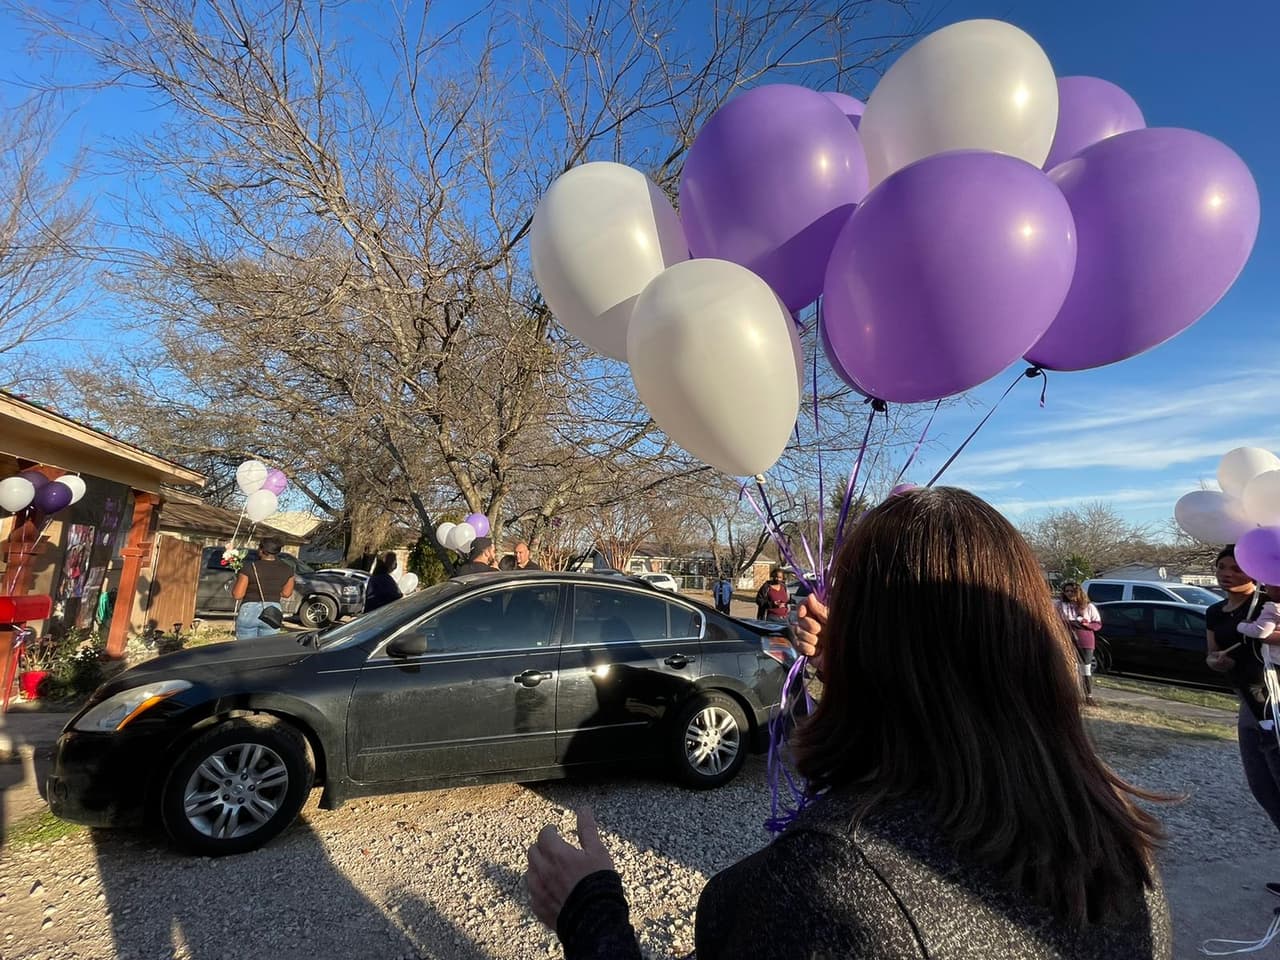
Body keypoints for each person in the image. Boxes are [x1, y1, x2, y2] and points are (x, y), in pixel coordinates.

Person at [527, 488, 1170, 959]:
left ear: (871, 638)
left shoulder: (829, 889)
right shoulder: (1119, 852)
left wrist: (591, 915)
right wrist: (854, 673)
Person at [1205, 546, 1280, 852]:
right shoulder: (1214, 612)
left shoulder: (1269, 602)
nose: (1226, 574)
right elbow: (1211, 654)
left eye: (1236, 568)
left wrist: (1265, 634)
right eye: (1221, 567)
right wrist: (1216, 662)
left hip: (1274, 701)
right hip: (1247, 700)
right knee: (1262, 787)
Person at [231, 536, 294, 640]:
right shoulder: (288, 569)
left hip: (249, 610)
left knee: (245, 647)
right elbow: (286, 594)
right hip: (273, 611)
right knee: (266, 647)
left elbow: (238, 595)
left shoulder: (249, 567)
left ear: (262, 550)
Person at [1057, 581, 1102, 706]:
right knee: (1070, 668)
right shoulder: (1060, 605)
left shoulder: (1088, 606)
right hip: (1067, 640)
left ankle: (1088, 696)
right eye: (1067, 591)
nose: (1069, 593)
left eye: (1072, 591)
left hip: (1085, 641)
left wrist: (1086, 624)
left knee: (1085, 669)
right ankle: (1071, 695)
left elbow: (1097, 624)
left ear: (1078, 592)